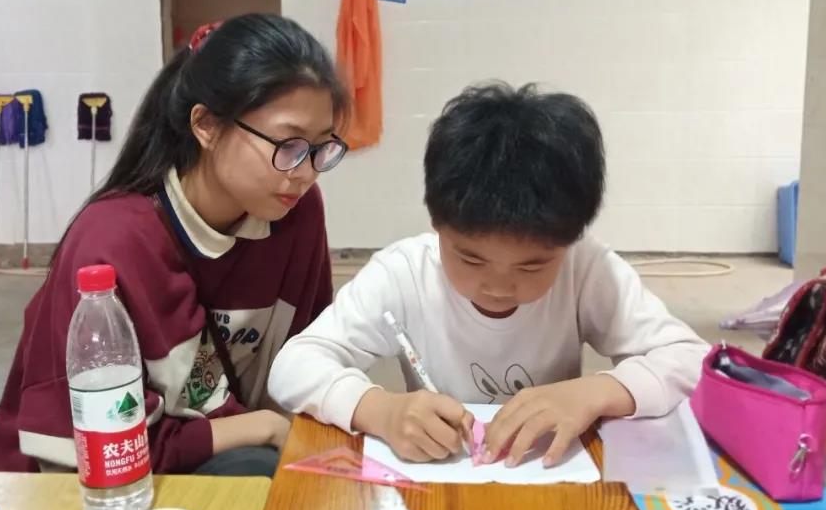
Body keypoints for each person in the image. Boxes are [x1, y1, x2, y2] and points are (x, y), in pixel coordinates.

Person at [269, 82, 708, 467]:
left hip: (546, 474)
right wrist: (378, 409)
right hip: (440, 483)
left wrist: (596, 392)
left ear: (571, 240)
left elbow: (695, 362)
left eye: (532, 265)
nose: (498, 287)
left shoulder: (586, 268)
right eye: (471, 260)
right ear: (437, 224)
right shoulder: (403, 274)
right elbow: (294, 366)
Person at [0, 14, 350, 477]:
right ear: (206, 125)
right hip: (92, 478)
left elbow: (311, 353)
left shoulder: (296, 212)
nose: (305, 172)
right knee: (255, 473)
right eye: (288, 145)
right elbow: (102, 445)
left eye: (320, 148)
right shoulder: (114, 240)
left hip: (224, 446)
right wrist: (262, 427)